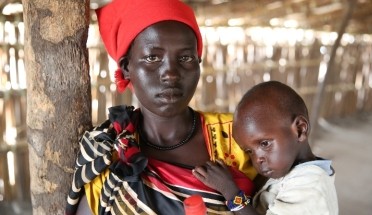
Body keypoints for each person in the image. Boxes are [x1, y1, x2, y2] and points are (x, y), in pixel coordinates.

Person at [65, 0, 257, 214]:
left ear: (198, 63)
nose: (171, 73)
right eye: (152, 57)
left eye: (185, 57)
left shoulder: (238, 137)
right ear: (127, 68)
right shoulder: (106, 153)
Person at [193, 81, 339, 215]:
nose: (258, 159)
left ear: (300, 130)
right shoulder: (289, 170)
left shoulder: (310, 187)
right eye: (249, 151)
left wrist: (231, 192)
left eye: (264, 144)